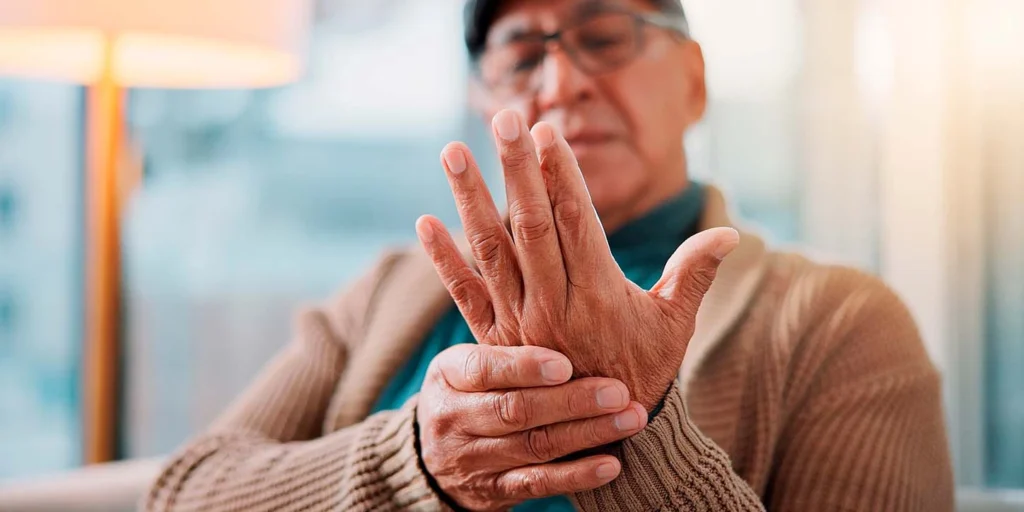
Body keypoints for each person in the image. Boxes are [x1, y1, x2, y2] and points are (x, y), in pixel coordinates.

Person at [145, 0, 954, 510]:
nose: (561, 81)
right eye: (523, 52)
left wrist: (631, 425)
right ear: (483, 95)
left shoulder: (839, 324)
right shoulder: (389, 290)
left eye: (606, 35)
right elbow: (183, 492)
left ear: (695, 82)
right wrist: (415, 464)